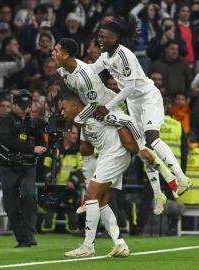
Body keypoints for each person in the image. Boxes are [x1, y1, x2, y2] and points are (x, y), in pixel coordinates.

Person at [52, 38, 181, 215]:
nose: (52, 53)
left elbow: (94, 103)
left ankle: (168, 181)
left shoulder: (85, 78)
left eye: (56, 50)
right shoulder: (62, 70)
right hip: (92, 111)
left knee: (135, 146)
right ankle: (89, 196)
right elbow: (74, 93)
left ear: (65, 55)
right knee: (84, 149)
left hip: (106, 107)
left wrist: (78, 119)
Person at [91, 19, 192, 195]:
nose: (99, 39)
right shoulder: (104, 57)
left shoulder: (125, 55)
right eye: (99, 36)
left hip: (148, 97)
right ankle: (158, 194)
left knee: (152, 137)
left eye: (103, 36)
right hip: (133, 102)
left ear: (114, 39)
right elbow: (91, 70)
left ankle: (181, 177)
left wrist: (108, 106)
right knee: (142, 148)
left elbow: (130, 87)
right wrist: (71, 70)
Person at [60, 91, 130, 258]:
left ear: (76, 106)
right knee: (101, 203)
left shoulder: (97, 113)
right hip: (109, 158)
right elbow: (87, 149)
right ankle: (120, 244)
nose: (62, 113)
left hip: (114, 156)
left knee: (91, 196)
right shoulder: (83, 121)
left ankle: (87, 246)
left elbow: (121, 122)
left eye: (64, 108)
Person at [0, 89, 47, 248]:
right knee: (11, 205)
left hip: (28, 166)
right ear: (14, 105)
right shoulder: (4, 120)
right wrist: (31, 149)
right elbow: (6, 140)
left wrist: (49, 148)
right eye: (22, 106)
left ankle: (30, 234)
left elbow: (42, 143)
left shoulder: (34, 122)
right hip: (8, 166)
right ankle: (22, 238)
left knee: (30, 195)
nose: (25, 109)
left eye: (27, 106)